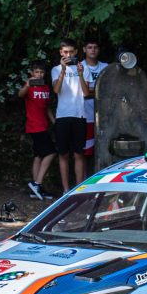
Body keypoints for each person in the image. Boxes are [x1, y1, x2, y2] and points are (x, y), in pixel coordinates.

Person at [51, 39, 91, 193]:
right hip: (62, 116)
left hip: (79, 115)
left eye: (71, 52)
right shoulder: (55, 69)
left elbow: (86, 93)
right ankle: (66, 190)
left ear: (76, 52)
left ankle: (79, 190)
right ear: (61, 52)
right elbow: (56, 90)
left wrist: (80, 74)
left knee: (79, 154)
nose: (68, 55)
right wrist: (63, 70)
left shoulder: (83, 68)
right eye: (65, 52)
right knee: (63, 154)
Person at [18, 60, 56, 200]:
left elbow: (47, 107)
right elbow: (20, 94)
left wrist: (54, 121)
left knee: (38, 156)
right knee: (51, 153)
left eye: (41, 72)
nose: (39, 74)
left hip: (43, 125)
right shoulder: (29, 86)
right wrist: (27, 84)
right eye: (36, 72)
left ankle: (36, 189)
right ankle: (37, 183)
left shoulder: (45, 87)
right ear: (32, 73)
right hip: (35, 126)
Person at [82, 39, 108, 173]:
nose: (93, 50)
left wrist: (89, 91)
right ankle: (85, 179)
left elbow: (110, 90)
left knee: (102, 149)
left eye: (95, 47)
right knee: (85, 152)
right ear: (84, 49)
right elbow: (82, 93)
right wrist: (97, 91)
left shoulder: (106, 67)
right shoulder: (79, 67)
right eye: (90, 47)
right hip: (85, 116)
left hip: (103, 117)